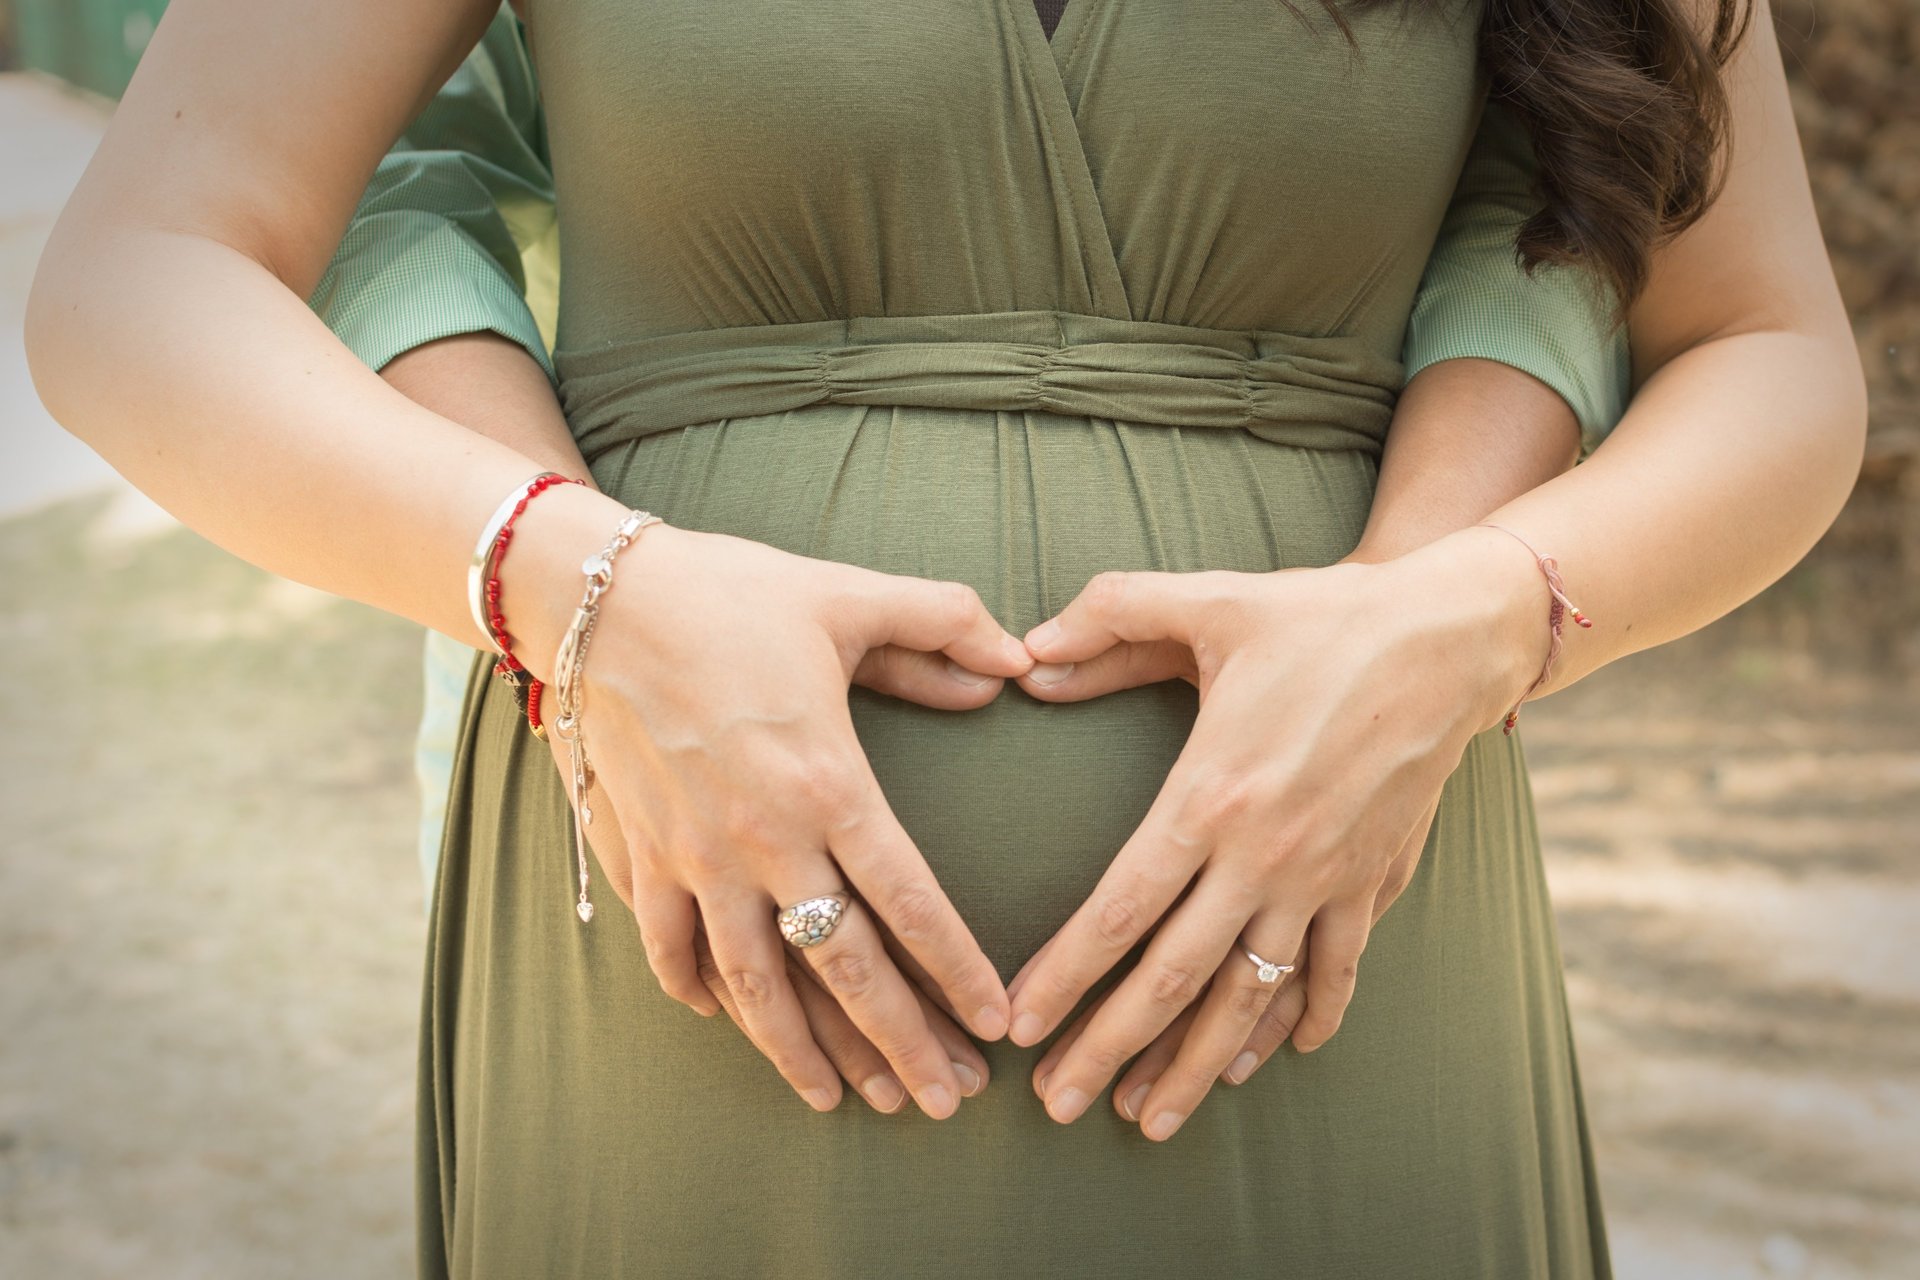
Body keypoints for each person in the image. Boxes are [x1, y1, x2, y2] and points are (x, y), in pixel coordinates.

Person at [25, 0, 1865, 1275]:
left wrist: (1466, 622)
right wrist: (578, 588)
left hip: (1345, 953)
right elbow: (146, 274)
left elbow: (1762, 350)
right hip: (698, 999)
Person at [304, 1, 1629, 1069]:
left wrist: (1422, 626)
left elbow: (1595, 210)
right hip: (684, 914)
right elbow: (319, 187)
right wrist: (585, 590)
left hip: (1350, 885)